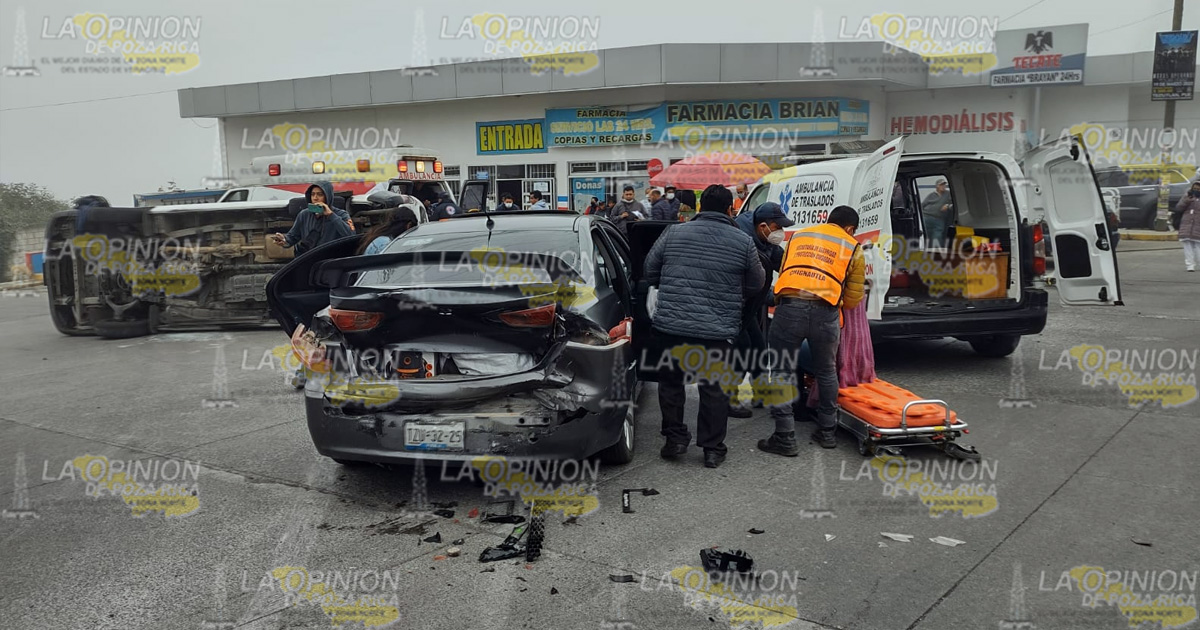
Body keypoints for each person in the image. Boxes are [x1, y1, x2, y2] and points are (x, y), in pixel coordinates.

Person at [644, 184, 765, 469]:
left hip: (672, 326)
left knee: (671, 384)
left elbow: (650, 270)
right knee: (713, 388)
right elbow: (757, 284)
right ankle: (712, 449)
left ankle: (675, 439)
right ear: (729, 209)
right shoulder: (743, 241)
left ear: (700, 208)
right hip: (718, 329)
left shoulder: (673, 232)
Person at [758, 205, 866, 454]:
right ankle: (827, 431)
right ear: (850, 228)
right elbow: (851, 300)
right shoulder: (853, 247)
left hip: (789, 308)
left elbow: (784, 271)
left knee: (783, 370)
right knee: (826, 371)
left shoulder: (799, 237)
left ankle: (785, 436)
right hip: (825, 312)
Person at [729, 202, 794, 417]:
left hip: (748, 307)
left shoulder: (764, 238)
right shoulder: (742, 241)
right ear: (763, 226)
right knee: (744, 347)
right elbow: (748, 285)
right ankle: (729, 397)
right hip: (733, 304)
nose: (780, 233)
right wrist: (774, 296)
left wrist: (798, 272)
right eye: (777, 227)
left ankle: (759, 393)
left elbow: (781, 261)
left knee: (757, 345)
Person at [270, 182, 353, 257]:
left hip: (331, 260)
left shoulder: (341, 214)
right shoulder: (304, 214)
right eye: (313, 194)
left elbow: (350, 235)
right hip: (309, 258)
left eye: (320, 194)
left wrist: (331, 215)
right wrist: (284, 240)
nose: (315, 198)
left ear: (327, 197)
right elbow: (293, 236)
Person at [1174, 180, 1200, 271]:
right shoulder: (1187, 196)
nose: (1196, 190)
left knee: (1198, 246)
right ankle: (1190, 265)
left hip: (1197, 225)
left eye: (1198, 188)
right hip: (1186, 224)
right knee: (1187, 245)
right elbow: (1179, 208)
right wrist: (1187, 200)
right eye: (1195, 188)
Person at [921, 179, 953, 248]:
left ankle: (937, 253)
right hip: (926, 217)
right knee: (926, 236)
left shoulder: (948, 194)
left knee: (937, 237)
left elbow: (955, 203)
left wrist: (948, 206)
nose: (943, 186)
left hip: (939, 218)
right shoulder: (931, 195)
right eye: (941, 185)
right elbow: (922, 205)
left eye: (944, 185)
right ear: (937, 186)